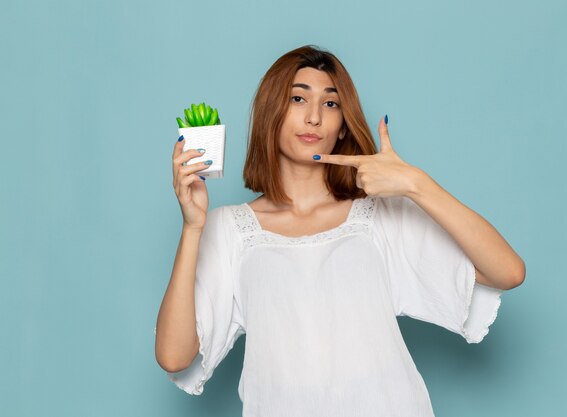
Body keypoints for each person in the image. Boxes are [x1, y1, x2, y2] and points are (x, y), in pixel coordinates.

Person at [155, 44, 525, 416]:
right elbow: (174, 356)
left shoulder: (378, 217)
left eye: (330, 103)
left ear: (343, 124)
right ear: (272, 113)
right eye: (298, 98)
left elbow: (507, 271)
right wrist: (192, 227)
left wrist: (416, 183)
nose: (314, 117)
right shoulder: (230, 230)